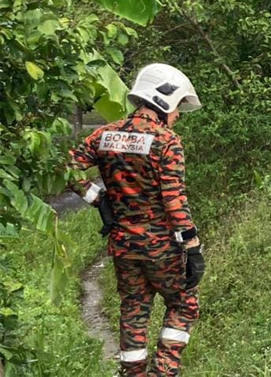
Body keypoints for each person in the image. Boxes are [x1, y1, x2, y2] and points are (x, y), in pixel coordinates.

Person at [68, 64, 205, 377]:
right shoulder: (167, 142)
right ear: (164, 100)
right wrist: (193, 247)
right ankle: (164, 372)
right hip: (162, 249)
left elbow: (66, 168)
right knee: (184, 305)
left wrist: (97, 199)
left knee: (133, 311)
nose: (179, 114)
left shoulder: (103, 135)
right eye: (179, 106)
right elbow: (174, 201)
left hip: (123, 246)